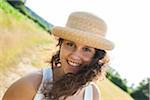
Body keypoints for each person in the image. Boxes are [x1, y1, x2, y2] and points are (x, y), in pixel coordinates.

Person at [2, 11, 114, 100]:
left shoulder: (92, 94)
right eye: (70, 44)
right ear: (60, 45)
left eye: (86, 49)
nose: (75, 55)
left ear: (96, 56)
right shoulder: (30, 85)